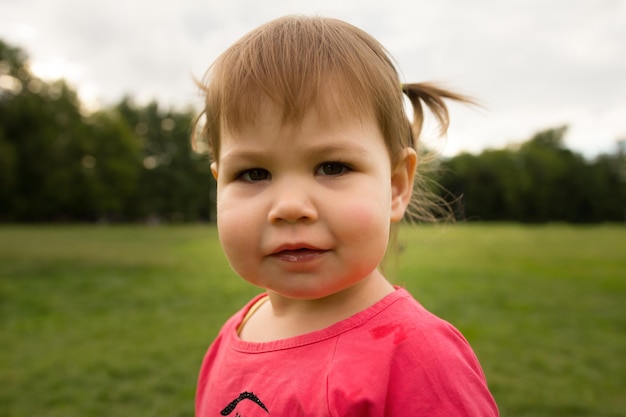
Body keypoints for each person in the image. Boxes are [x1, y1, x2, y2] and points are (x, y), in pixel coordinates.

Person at [194, 15, 499, 417]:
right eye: (253, 173)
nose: (289, 207)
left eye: (332, 167)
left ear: (394, 186)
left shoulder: (417, 358)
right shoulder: (233, 335)